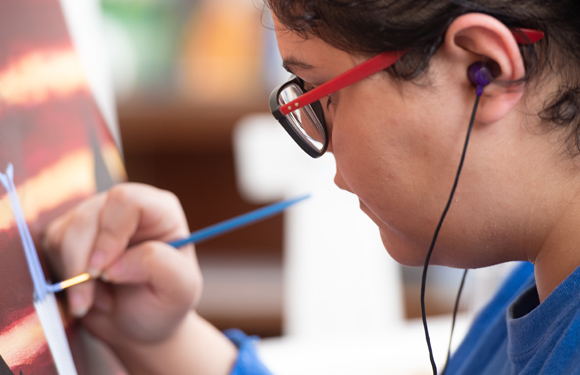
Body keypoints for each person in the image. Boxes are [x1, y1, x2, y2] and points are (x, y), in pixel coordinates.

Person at [42, 0, 580, 374]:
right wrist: (162, 339)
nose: (319, 141)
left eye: (321, 93)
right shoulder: (536, 288)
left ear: (482, 69)